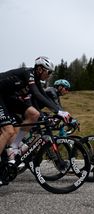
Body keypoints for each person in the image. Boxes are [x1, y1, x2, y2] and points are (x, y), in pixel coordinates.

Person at [0, 56, 71, 185]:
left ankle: (14, 147)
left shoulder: (36, 78)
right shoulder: (28, 73)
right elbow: (37, 95)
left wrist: (55, 112)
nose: (49, 75)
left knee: (34, 114)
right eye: (48, 72)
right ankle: (12, 148)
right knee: (8, 131)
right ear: (40, 69)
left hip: (6, 97)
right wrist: (58, 111)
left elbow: (42, 96)